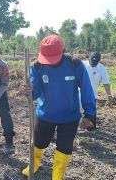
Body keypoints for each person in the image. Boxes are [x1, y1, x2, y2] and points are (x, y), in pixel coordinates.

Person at [21, 35, 96, 179]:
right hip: (46, 114)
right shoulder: (37, 67)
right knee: (39, 142)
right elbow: (35, 92)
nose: (49, 62)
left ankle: (58, 174)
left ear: (63, 51)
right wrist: (29, 91)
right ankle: (34, 164)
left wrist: (89, 114)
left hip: (70, 116)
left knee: (65, 147)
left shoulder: (75, 64)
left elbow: (87, 89)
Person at [83, 52, 113, 130]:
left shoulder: (102, 69)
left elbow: (106, 83)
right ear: (89, 59)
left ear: (99, 61)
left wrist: (109, 95)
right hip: (79, 93)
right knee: (76, 112)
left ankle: (91, 130)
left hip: (92, 95)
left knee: (91, 112)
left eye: (95, 63)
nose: (93, 64)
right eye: (92, 62)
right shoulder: (82, 65)